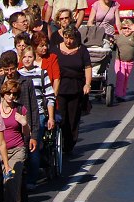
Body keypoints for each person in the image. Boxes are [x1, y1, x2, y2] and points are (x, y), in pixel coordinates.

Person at [0, 79, 31, 202]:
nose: (11, 96)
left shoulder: (20, 109)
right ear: (3, 93)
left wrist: (24, 123)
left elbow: (26, 134)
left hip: (17, 149)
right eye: (8, 93)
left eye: (14, 94)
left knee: (12, 181)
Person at [19, 46, 56, 187]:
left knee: (33, 147)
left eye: (30, 57)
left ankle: (31, 179)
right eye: (25, 57)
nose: (27, 59)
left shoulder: (42, 73)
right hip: (21, 115)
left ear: (34, 58)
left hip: (38, 115)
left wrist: (51, 118)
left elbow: (50, 96)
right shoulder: (18, 74)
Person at [53, 25, 92, 154]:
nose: (68, 41)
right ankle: (61, 141)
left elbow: (87, 67)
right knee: (62, 117)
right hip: (61, 88)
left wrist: (87, 84)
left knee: (73, 118)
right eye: (66, 38)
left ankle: (70, 144)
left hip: (75, 87)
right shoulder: (56, 49)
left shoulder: (82, 50)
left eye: (71, 38)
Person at [114, 18, 134, 102]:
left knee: (125, 78)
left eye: (129, 28)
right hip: (119, 61)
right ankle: (119, 94)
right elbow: (112, 40)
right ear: (121, 29)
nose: (127, 30)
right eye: (125, 28)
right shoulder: (119, 37)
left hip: (129, 62)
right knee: (120, 77)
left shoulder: (133, 36)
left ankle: (123, 93)